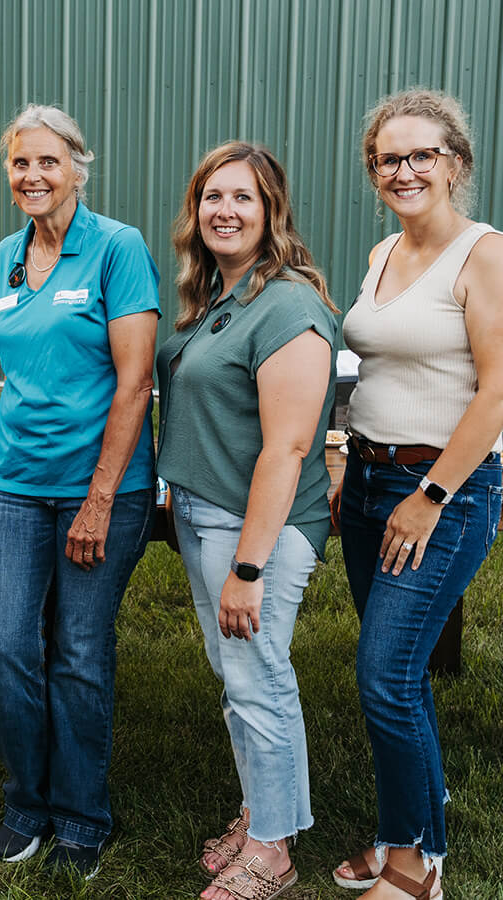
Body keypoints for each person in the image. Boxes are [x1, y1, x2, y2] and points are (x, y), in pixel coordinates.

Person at [331, 90, 503, 900]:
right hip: (368, 480)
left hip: (440, 490)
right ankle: (399, 831)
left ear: (456, 164)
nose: (403, 170)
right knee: (401, 675)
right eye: (388, 158)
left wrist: (431, 494)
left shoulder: (486, 253)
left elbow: (502, 387)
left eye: (422, 155)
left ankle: (420, 864)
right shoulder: (384, 250)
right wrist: (353, 464)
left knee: (385, 677)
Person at [0, 103, 160, 879]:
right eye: (21, 162)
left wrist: (99, 499)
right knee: (8, 647)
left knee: (80, 653)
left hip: (100, 488)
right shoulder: (4, 258)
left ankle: (82, 817)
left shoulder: (117, 248)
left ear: (78, 169)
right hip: (14, 483)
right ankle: (27, 804)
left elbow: (136, 381)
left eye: (49, 161)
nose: (34, 175)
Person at [156, 142, 339, 900]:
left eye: (243, 198)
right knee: (237, 677)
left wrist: (249, 567)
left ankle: (273, 853)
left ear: (271, 212)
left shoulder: (288, 305)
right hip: (205, 515)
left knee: (258, 679)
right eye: (212, 196)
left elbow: (288, 448)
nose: (225, 211)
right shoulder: (218, 297)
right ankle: (262, 812)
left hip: (254, 528)